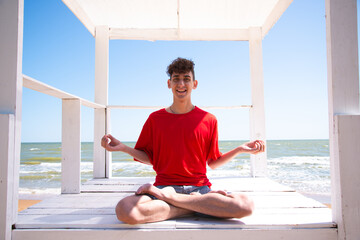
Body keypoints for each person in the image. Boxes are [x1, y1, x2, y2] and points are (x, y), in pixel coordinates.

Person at [101, 57, 265, 225]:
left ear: (194, 84)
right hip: (164, 187)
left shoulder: (208, 119)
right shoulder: (155, 119)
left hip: (199, 189)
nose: (181, 84)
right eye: (176, 79)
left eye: (186, 79)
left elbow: (213, 162)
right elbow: (150, 158)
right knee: (125, 210)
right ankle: (198, 207)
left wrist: (239, 149)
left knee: (246, 206)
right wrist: (123, 148)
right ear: (169, 83)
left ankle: (173, 201)